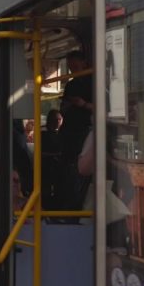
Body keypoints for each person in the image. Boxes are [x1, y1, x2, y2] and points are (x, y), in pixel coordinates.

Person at [59, 50, 94, 210]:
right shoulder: (71, 84)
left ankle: (78, 205)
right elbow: (63, 109)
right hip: (69, 132)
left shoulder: (95, 81)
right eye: (71, 68)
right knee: (67, 170)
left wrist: (83, 104)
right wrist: (67, 106)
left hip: (86, 131)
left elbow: (104, 108)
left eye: (75, 66)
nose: (73, 70)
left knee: (80, 171)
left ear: (84, 63)